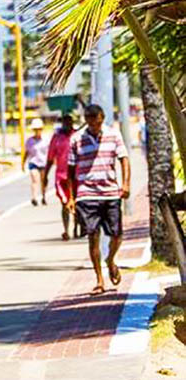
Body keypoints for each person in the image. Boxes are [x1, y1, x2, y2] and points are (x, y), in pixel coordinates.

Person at [67, 104, 130, 296]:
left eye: (96, 119)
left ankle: (110, 260)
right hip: (87, 194)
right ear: (86, 119)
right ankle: (99, 280)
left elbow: (124, 159)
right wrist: (71, 197)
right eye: (89, 119)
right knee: (93, 236)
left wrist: (125, 184)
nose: (93, 123)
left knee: (117, 234)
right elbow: (70, 170)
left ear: (102, 118)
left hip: (110, 192)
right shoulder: (76, 139)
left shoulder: (114, 135)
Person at [44, 114, 75, 240]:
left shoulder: (77, 135)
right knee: (65, 203)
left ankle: (77, 227)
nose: (68, 124)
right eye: (65, 122)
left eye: (70, 122)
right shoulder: (56, 138)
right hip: (61, 176)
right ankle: (66, 230)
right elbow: (50, 158)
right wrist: (45, 175)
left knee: (77, 203)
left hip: (75, 175)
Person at [24, 117, 49, 206]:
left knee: (43, 180)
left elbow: (50, 151)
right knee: (35, 179)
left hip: (44, 162)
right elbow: (26, 153)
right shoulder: (29, 141)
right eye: (35, 129)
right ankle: (34, 197)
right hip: (33, 162)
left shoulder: (46, 139)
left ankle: (43, 196)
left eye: (38, 129)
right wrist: (23, 164)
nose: (37, 131)